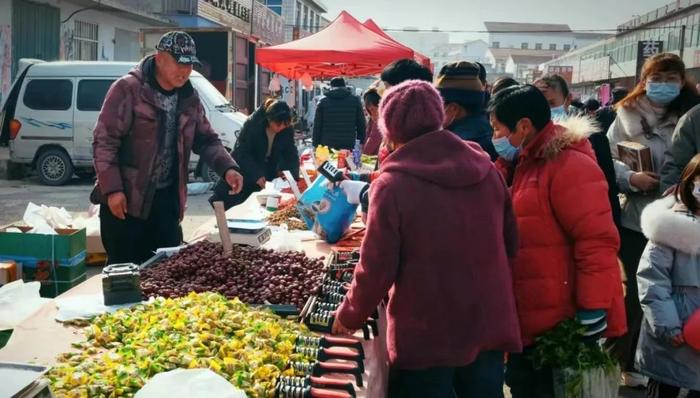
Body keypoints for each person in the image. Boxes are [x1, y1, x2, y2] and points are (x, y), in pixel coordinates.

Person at [333, 80, 522, 397]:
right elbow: (511, 243)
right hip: (485, 319)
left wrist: (350, 314)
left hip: (427, 330)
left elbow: (376, 267)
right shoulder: (487, 170)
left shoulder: (393, 185)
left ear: (390, 131)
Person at [488, 85, 626, 397]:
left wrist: (593, 308)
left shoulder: (569, 166)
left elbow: (597, 241)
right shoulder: (523, 163)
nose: (494, 136)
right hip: (533, 314)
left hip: (563, 320)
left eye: (497, 128)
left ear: (524, 126)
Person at [92, 31, 243, 265]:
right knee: (125, 275)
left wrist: (227, 168)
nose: (185, 71)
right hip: (126, 202)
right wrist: (112, 189)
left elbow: (206, 139)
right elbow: (104, 142)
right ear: (160, 57)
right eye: (179, 63)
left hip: (166, 201)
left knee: (168, 270)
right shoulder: (128, 89)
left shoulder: (189, 97)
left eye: (190, 65)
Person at [606, 52, 700, 387]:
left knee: (679, 294)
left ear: (682, 81)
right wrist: (632, 179)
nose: (662, 85)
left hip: (682, 221)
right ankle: (627, 362)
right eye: (655, 78)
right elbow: (607, 158)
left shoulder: (690, 114)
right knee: (636, 292)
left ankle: (671, 366)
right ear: (644, 80)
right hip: (637, 215)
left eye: (671, 78)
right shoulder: (626, 114)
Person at [636, 153, 700, 397]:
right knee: (666, 388)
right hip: (672, 337)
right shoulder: (670, 228)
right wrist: (667, 325)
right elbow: (652, 279)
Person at [530, 75, 621, 227]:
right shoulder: (525, 143)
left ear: (567, 100)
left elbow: (608, 193)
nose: (546, 111)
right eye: (539, 105)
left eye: (552, 103)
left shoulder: (592, 139)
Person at [208, 99, 299, 210]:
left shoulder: (286, 129)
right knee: (236, 208)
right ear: (269, 119)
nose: (280, 128)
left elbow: (291, 153)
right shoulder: (253, 124)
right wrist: (256, 174)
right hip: (245, 169)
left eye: (284, 125)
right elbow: (242, 152)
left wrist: (293, 176)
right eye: (278, 124)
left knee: (260, 207)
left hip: (267, 171)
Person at [436, 61, 498, 160]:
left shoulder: (452, 146)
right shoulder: (492, 133)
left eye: (438, 104)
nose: (435, 110)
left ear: (454, 108)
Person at [312, 77, 366, 150]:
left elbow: (317, 125)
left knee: (329, 161)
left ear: (331, 87)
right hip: (349, 143)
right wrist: (361, 141)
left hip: (327, 144)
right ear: (344, 86)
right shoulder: (355, 101)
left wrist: (315, 144)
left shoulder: (323, 102)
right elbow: (361, 124)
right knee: (347, 161)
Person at [362, 88, 382, 156]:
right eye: (369, 110)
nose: (372, 113)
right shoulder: (374, 117)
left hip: (377, 156)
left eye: (373, 109)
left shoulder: (380, 119)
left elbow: (374, 138)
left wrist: (364, 155)